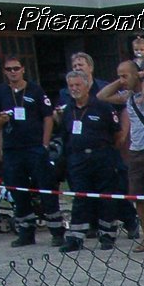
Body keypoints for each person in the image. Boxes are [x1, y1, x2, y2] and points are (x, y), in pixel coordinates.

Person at [0, 56, 62, 247]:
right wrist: (2, 120)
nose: (12, 72)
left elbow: (48, 117)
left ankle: (56, 230)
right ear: (5, 72)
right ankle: (26, 231)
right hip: (12, 149)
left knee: (46, 188)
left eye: (16, 68)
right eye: (8, 69)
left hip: (34, 147)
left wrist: (45, 144)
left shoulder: (35, 90)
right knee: (18, 190)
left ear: (23, 69)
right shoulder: (1, 91)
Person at [55, 69, 124, 253]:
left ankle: (107, 235)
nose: (74, 89)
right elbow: (65, 135)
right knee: (80, 197)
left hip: (102, 157)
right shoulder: (68, 110)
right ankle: (76, 238)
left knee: (106, 197)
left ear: (87, 86)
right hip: (78, 160)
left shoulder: (102, 107)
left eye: (78, 85)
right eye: (71, 86)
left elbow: (117, 133)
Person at [107, 57, 144, 254]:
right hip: (136, 150)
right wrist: (121, 81)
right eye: (119, 76)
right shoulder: (128, 96)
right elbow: (102, 96)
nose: (122, 80)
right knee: (139, 197)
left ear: (136, 74)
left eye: (125, 75)